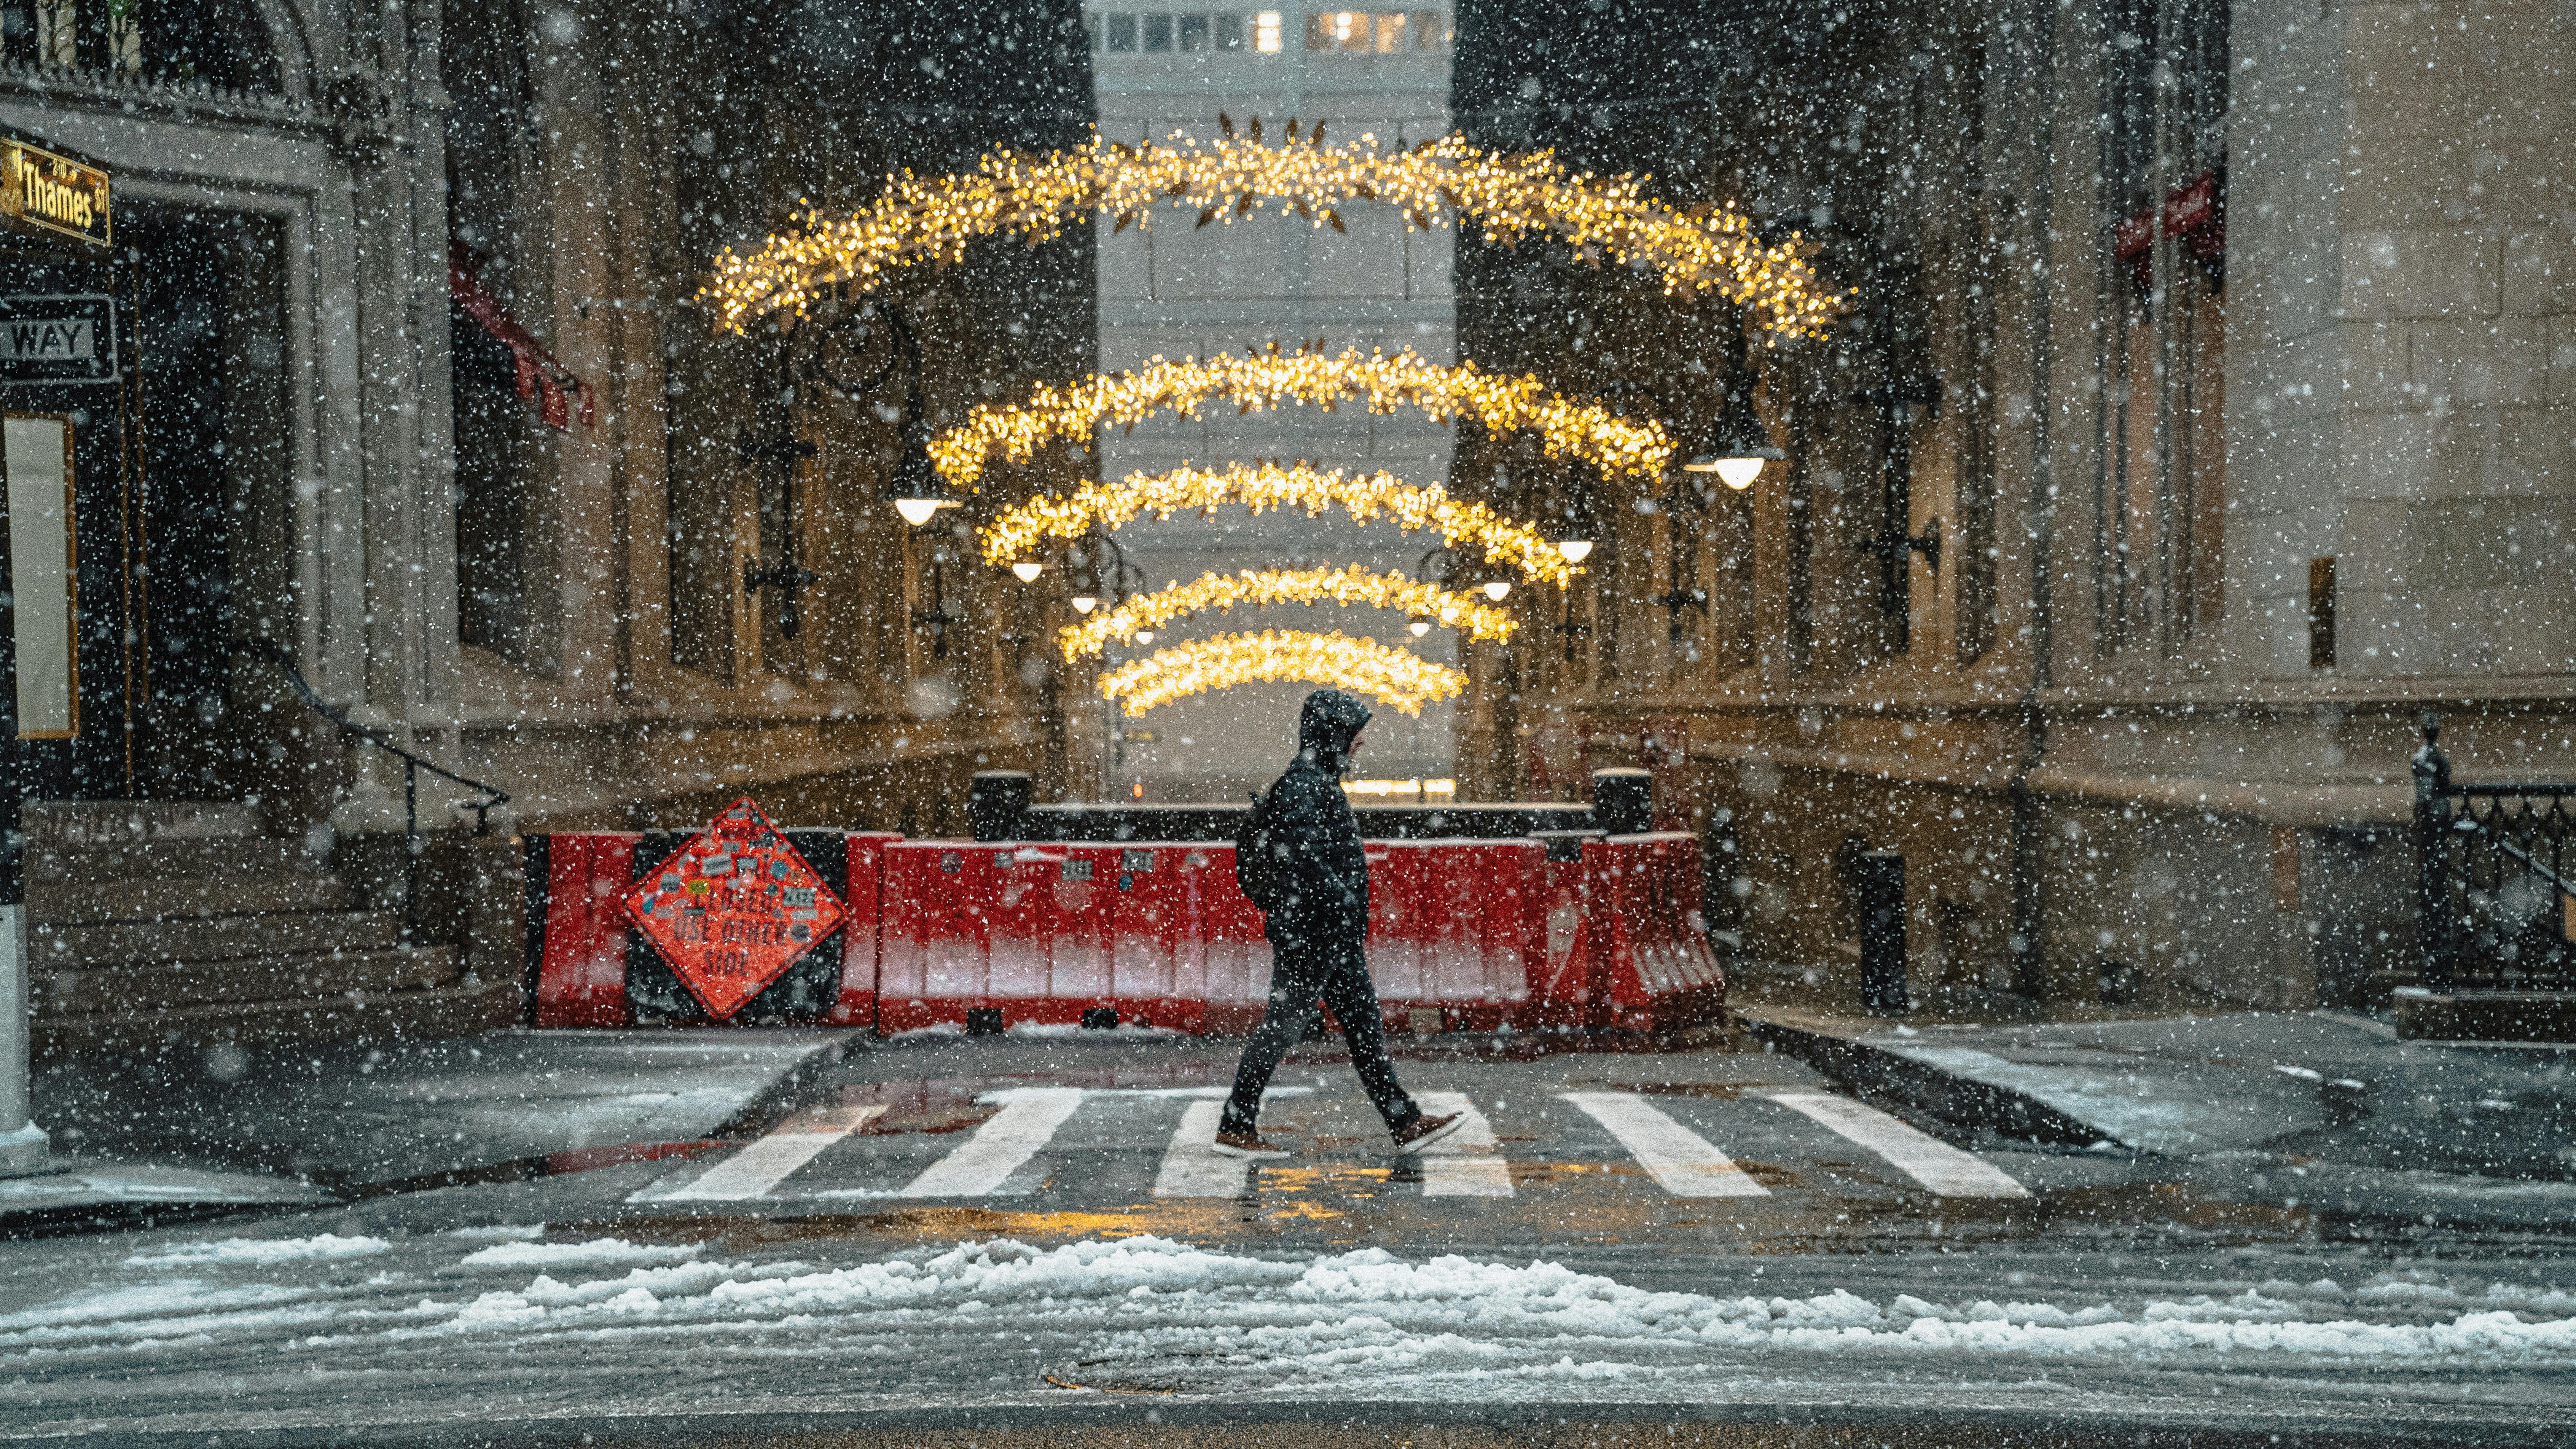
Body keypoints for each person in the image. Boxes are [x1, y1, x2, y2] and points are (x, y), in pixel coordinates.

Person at [1212, 688, 1464, 1158]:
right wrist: (1343, 900)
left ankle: (1404, 1121)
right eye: (1353, 733)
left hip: (1328, 934)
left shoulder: (1315, 782)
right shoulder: (1306, 786)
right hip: (1313, 933)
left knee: (1364, 1026)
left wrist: (1341, 911)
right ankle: (1235, 1124)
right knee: (1282, 1026)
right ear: (1333, 735)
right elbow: (1303, 858)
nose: (1360, 742)